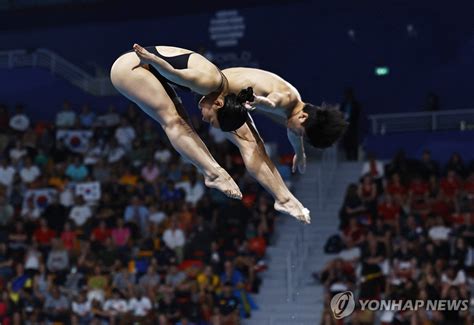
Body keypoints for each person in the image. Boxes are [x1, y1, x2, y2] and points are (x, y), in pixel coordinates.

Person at [111, 45, 309, 222]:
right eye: (212, 119)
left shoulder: (231, 96)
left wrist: (284, 197)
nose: (205, 120)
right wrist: (152, 59)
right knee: (174, 120)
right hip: (132, 66)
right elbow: (173, 73)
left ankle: (284, 199)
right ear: (218, 103)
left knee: (251, 141)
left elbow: (251, 145)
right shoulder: (207, 83)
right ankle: (213, 173)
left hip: (152, 69)